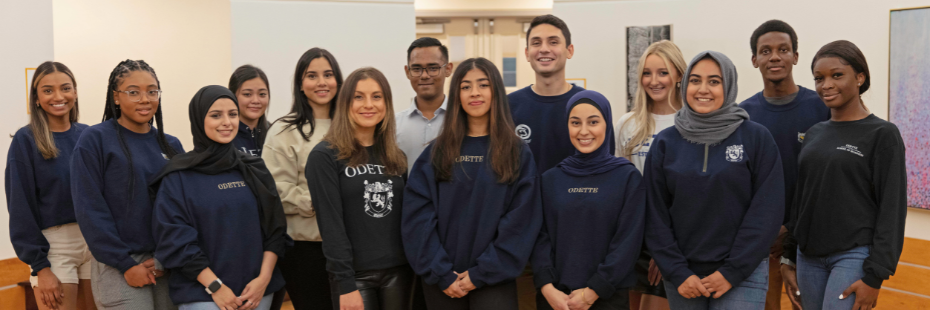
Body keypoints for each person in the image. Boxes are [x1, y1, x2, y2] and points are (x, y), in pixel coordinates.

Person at [644, 51, 784, 310]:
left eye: (714, 81)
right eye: (695, 80)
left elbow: (767, 211)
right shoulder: (665, 143)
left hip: (743, 274)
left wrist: (732, 271)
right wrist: (677, 271)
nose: (703, 89)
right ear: (685, 85)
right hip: (683, 277)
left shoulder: (756, 138)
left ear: (728, 85)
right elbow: (655, 214)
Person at [402, 58, 542, 310]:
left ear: (495, 91)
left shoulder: (517, 152)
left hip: (494, 281)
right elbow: (417, 218)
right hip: (443, 281)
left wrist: (482, 273)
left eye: (483, 85)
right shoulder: (436, 153)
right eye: (465, 86)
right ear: (456, 94)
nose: (474, 93)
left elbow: (522, 222)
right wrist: (441, 272)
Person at [783, 40, 906, 310]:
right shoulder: (814, 133)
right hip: (807, 257)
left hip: (853, 256)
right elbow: (801, 199)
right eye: (819, 78)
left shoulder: (883, 135)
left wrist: (875, 277)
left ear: (860, 77)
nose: (826, 84)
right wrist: (788, 257)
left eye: (837, 75)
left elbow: (892, 210)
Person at [150, 85, 288, 310]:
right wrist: (216, 287)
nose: (227, 122)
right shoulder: (178, 176)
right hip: (203, 296)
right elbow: (175, 242)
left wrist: (263, 280)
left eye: (232, 114)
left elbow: (276, 230)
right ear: (198, 119)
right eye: (216, 115)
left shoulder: (254, 168)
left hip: (257, 293)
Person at [71, 60, 184, 309]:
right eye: (133, 92)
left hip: (166, 263)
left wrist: (164, 259)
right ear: (116, 97)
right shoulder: (95, 139)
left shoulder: (171, 145)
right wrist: (125, 263)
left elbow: (182, 208)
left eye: (152, 91)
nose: (145, 99)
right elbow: (89, 209)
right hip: (118, 264)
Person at [738, 20, 831, 310]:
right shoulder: (743, 115)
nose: (775, 56)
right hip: (762, 242)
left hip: (811, 238)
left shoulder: (821, 107)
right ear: (755, 60)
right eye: (766, 51)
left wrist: (791, 229)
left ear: (796, 56)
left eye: (783, 49)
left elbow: (827, 179)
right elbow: (741, 182)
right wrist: (766, 229)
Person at [305, 67, 412, 310]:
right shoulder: (325, 156)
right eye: (358, 97)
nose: (368, 104)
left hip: (400, 272)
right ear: (345, 103)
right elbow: (331, 226)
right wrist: (345, 284)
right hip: (354, 277)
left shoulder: (397, 157)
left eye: (376, 96)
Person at [534, 90, 644, 310]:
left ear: (607, 124)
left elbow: (628, 242)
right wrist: (547, 287)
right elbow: (539, 237)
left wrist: (594, 290)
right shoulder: (550, 179)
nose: (584, 131)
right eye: (575, 123)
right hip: (556, 299)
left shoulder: (627, 178)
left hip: (607, 296)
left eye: (593, 122)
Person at [6, 61, 94, 310]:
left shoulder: (89, 136)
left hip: (95, 241)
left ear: (75, 92)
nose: (58, 96)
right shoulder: (26, 139)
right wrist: (40, 268)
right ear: (35, 98)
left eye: (65, 88)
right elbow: (20, 206)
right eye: (47, 90)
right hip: (54, 247)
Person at [261, 47, 343, 310]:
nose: (321, 82)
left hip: (350, 247)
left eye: (328, 75)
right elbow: (273, 189)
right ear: (300, 84)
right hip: (306, 249)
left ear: (338, 81)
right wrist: (320, 202)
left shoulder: (353, 126)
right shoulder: (284, 130)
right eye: (312, 76)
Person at [615, 40, 685, 310]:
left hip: (672, 240)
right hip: (633, 240)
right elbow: (622, 189)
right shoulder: (627, 124)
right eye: (646, 73)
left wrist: (664, 249)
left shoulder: (689, 123)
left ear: (679, 75)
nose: (653, 80)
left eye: (663, 72)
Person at [509, 14, 591, 174]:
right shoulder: (508, 106)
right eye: (536, 43)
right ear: (527, 53)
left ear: (569, 50)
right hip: (523, 199)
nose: (544, 49)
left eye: (553, 42)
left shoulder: (588, 105)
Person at [397, 37, 454, 171]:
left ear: (448, 69)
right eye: (417, 69)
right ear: (407, 72)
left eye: (433, 68)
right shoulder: (393, 126)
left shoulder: (463, 120)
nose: (424, 76)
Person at [229, 65, 271, 157]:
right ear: (232, 96)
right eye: (247, 94)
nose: (256, 100)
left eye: (262, 94)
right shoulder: (225, 135)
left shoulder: (275, 134)